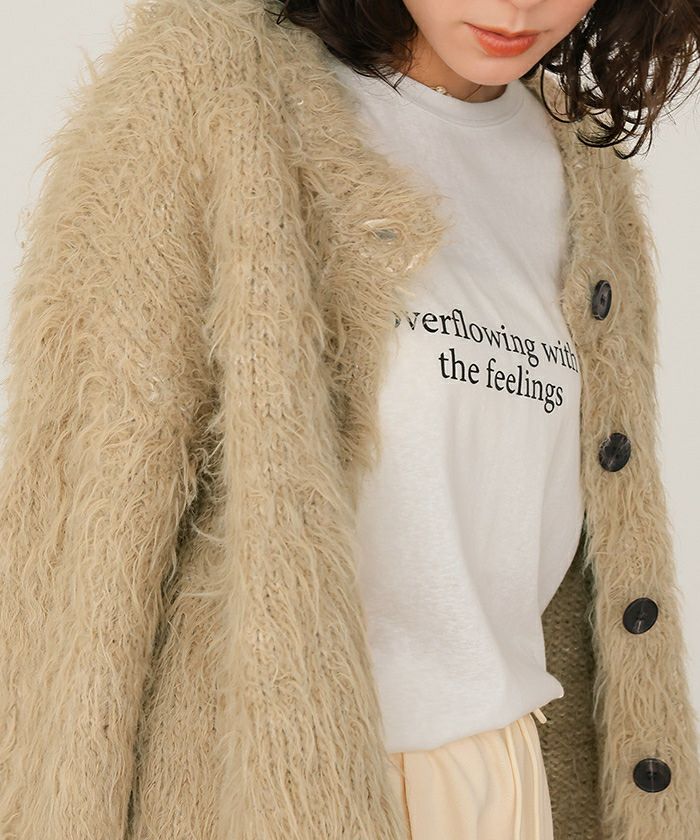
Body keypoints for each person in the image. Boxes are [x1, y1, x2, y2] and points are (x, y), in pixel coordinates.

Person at [1, 1, 699, 838]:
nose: (518, 6)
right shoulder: (213, 92)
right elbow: (80, 537)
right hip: (260, 795)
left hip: (504, 785)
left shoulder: (577, 160)